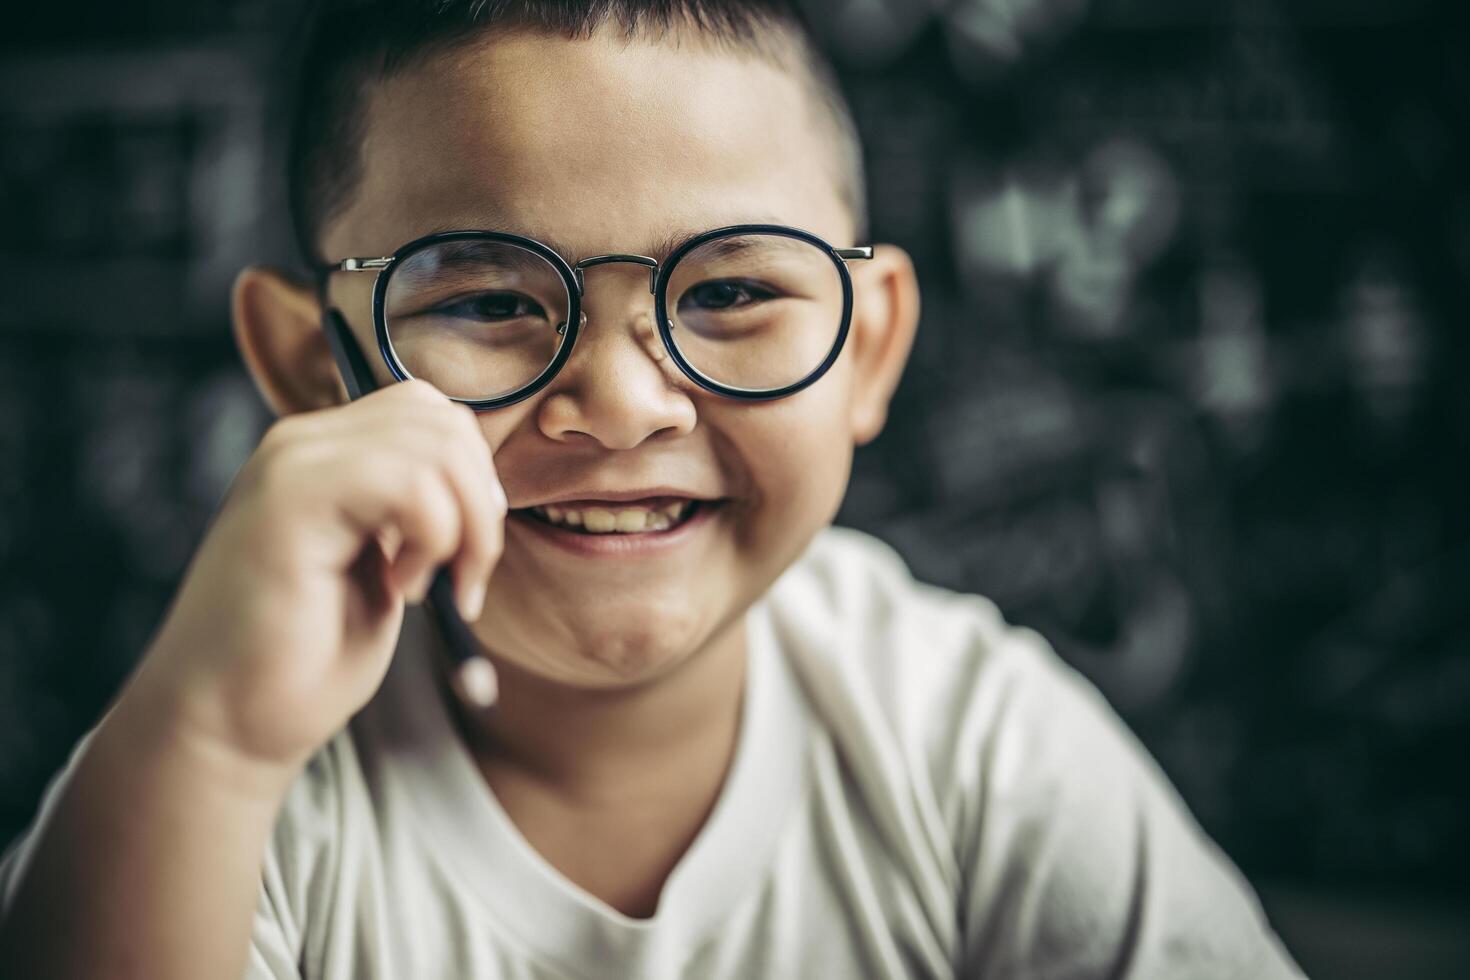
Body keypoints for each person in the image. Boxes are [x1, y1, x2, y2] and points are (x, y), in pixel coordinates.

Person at [0, 2, 1306, 977]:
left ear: (865, 348)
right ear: (313, 370)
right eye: (493, 300)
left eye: (733, 293)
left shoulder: (967, 749)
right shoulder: (205, 790)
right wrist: (213, 743)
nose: (622, 407)